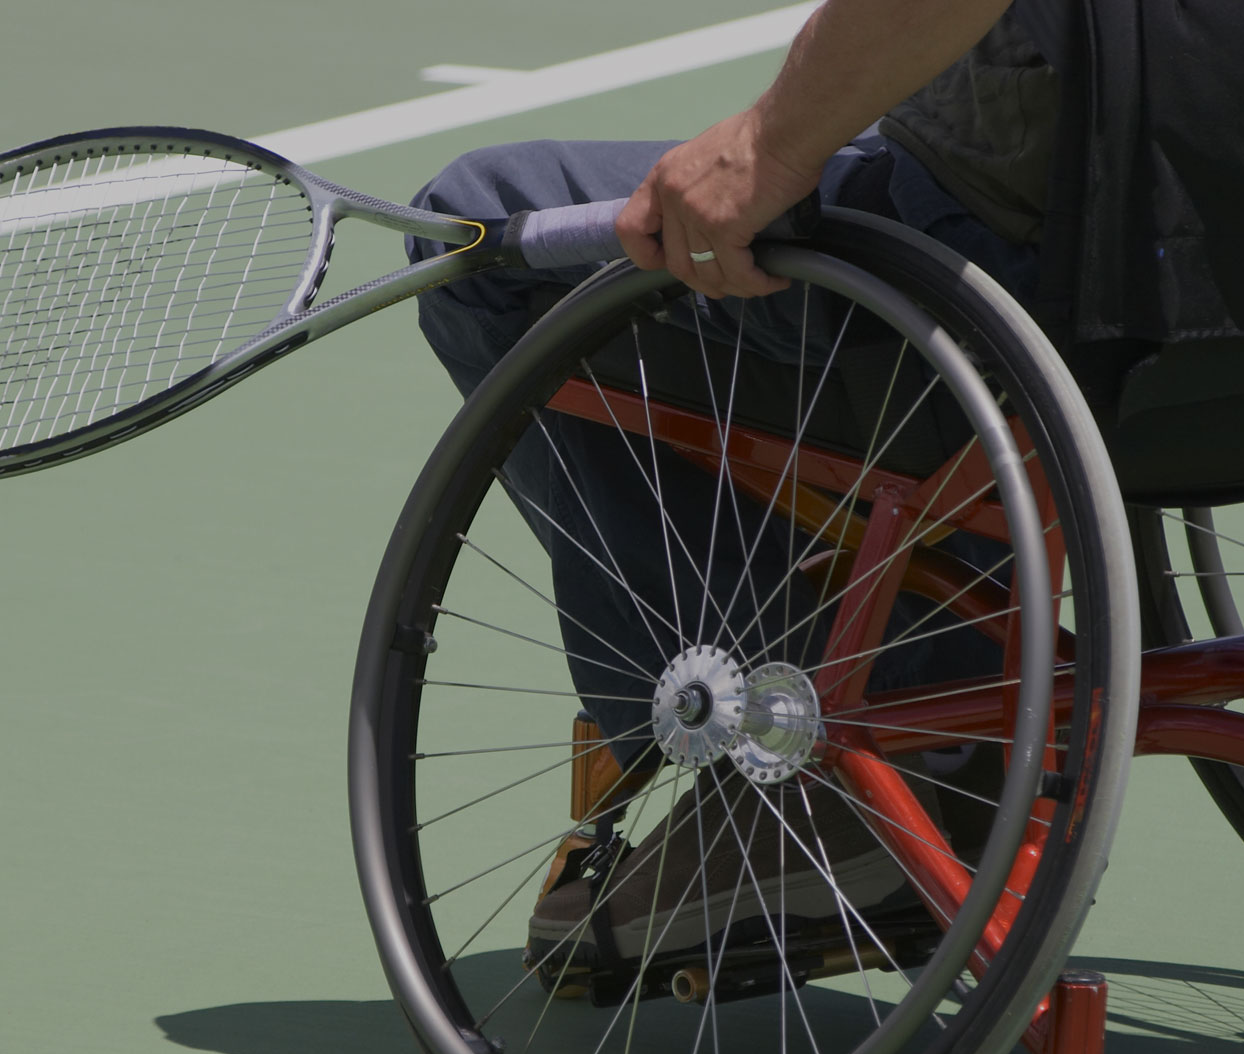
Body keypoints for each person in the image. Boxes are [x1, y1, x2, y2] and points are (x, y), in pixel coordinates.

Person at [407, 0, 1054, 970]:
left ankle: (818, 763)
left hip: (1028, 266)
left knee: (473, 228)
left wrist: (768, 142)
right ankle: (933, 730)